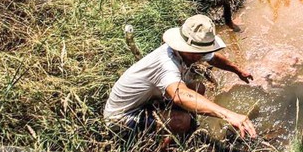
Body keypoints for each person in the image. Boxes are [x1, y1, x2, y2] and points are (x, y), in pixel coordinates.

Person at [104, 14, 257, 139]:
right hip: (122, 119)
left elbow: (213, 57)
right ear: (184, 47)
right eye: (198, 53)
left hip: (146, 102)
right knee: (182, 121)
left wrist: (238, 70)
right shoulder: (167, 64)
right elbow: (180, 95)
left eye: (203, 52)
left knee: (198, 88)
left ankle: (183, 133)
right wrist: (229, 114)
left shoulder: (190, 52)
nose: (201, 57)